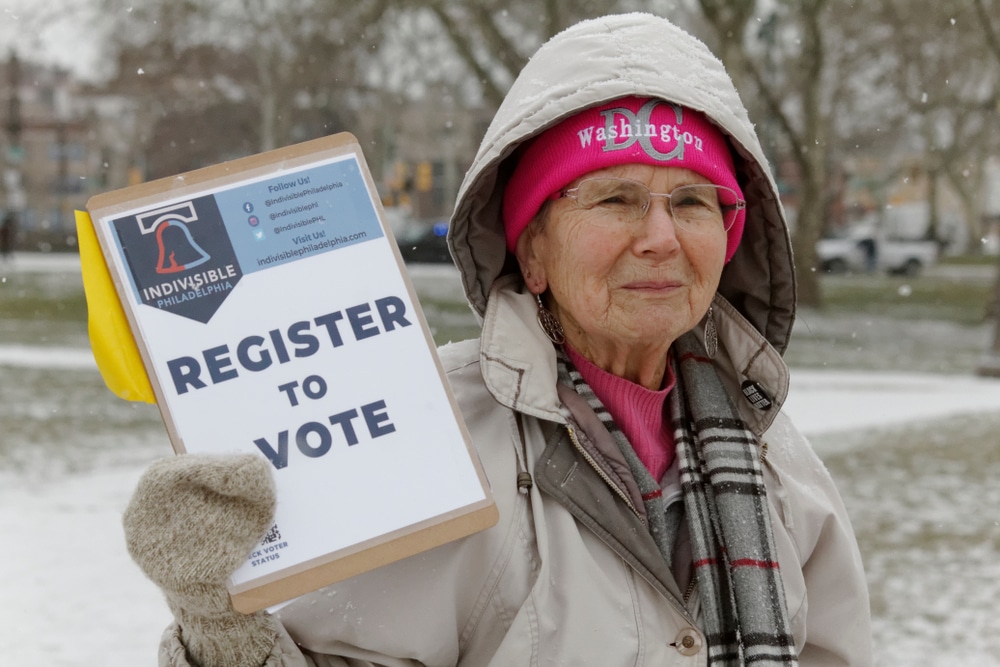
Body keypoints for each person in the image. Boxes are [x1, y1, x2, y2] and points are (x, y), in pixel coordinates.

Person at [123, 12, 872, 666]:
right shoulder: (435, 438)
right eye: (615, 197)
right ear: (533, 252)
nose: (660, 236)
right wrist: (218, 629)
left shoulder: (774, 454)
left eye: (692, 201)